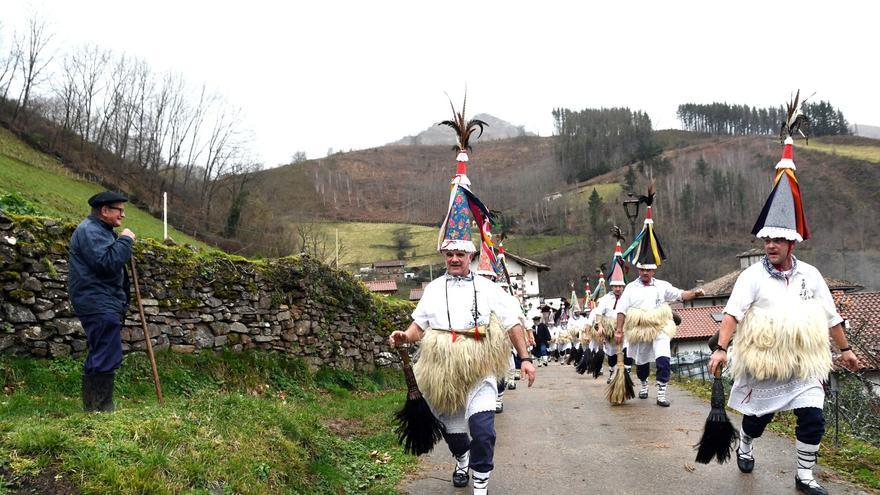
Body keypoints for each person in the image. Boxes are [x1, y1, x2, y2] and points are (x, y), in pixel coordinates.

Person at [708, 136, 860, 495]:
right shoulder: (751, 277)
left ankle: (804, 476)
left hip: (804, 365)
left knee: (813, 418)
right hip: (765, 365)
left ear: (792, 241)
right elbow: (732, 313)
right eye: (767, 240)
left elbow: (830, 316)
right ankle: (746, 442)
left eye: (778, 239)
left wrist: (845, 351)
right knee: (757, 421)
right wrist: (722, 348)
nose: (771, 245)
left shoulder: (812, 275)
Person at [388, 126, 536, 495]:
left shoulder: (489, 288)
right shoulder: (433, 289)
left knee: (484, 431)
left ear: (471, 255)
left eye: (461, 253)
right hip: (443, 370)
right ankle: (461, 460)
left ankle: (481, 486)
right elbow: (418, 327)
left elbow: (513, 320)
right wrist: (403, 337)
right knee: (457, 437)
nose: (455, 258)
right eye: (449, 253)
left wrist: (525, 357)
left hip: (480, 368)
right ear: (444, 256)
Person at [614, 191, 702, 407]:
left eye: (649, 270)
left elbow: (680, 295)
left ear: (654, 271)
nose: (645, 273)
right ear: (639, 269)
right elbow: (622, 311)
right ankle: (644, 383)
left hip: (659, 327)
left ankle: (662, 391)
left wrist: (694, 293)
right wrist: (618, 330)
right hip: (639, 329)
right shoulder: (630, 289)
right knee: (642, 364)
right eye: (643, 269)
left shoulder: (662, 286)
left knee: (663, 359)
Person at [68, 191, 135, 412]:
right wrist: (125, 240)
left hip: (100, 300)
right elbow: (107, 262)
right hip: (98, 301)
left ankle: (93, 408)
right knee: (107, 351)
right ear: (105, 210)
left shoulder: (100, 231)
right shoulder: (91, 231)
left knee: (102, 350)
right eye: (119, 210)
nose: (123, 215)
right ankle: (101, 408)